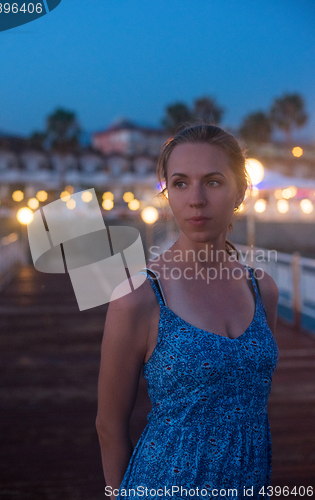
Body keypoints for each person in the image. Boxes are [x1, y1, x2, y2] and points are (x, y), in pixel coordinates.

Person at [96, 124, 279, 500]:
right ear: (167, 193)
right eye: (180, 183)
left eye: (212, 182)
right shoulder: (140, 296)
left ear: (240, 191)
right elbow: (109, 426)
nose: (195, 199)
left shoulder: (262, 289)